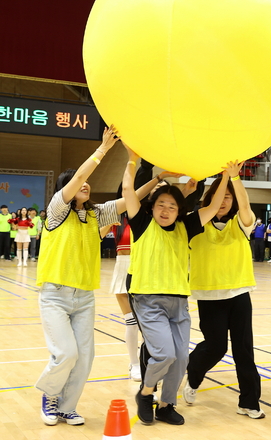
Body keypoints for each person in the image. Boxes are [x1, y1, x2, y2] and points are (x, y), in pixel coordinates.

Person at [35, 126, 142, 427]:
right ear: (64, 188)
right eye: (74, 183)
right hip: (55, 295)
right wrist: (104, 149)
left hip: (83, 297)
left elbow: (130, 198)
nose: (84, 185)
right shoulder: (56, 211)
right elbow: (80, 177)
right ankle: (50, 395)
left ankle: (67, 406)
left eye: (84, 183)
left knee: (84, 358)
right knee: (66, 353)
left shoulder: (96, 215)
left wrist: (155, 178)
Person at [122, 145, 230, 426]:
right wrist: (134, 162)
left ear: (179, 209)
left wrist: (228, 176)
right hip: (148, 299)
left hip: (178, 302)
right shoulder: (143, 223)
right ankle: (146, 394)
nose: (166, 209)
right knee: (164, 354)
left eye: (172, 206)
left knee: (181, 357)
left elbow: (215, 206)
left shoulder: (186, 226)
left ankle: (167, 405)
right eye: (161, 204)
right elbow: (127, 193)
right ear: (152, 208)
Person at [184, 164, 265, 419]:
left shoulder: (241, 225)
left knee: (244, 350)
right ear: (210, 199)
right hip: (209, 296)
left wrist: (234, 178)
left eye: (228, 197)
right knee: (215, 347)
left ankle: (249, 402)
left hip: (239, 294)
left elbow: (245, 206)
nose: (224, 202)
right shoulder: (197, 224)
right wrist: (218, 181)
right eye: (220, 196)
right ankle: (193, 376)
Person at [109, 165, 183, 383]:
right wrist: (144, 165)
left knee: (153, 327)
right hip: (126, 264)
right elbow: (130, 189)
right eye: (155, 188)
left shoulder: (165, 219)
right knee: (132, 321)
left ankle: (155, 363)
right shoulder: (129, 212)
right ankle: (134, 364)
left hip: (155, 272)